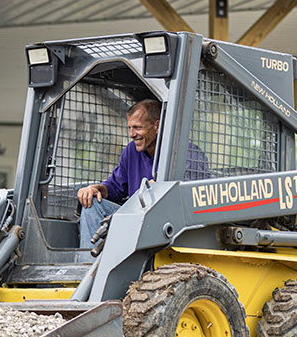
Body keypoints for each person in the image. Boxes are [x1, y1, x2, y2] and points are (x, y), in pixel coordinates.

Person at [77, 98, 208, 253]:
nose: (132, 134)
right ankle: (88, 270)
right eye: (130, 128)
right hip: (134, 220)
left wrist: (160, 192)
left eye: (137, 128)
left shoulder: (187, 155)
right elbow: (116, 187)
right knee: (92, 204)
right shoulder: (131, 152)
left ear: (157, 126)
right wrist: (98, 188)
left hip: (170, 229)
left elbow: (194, 202)